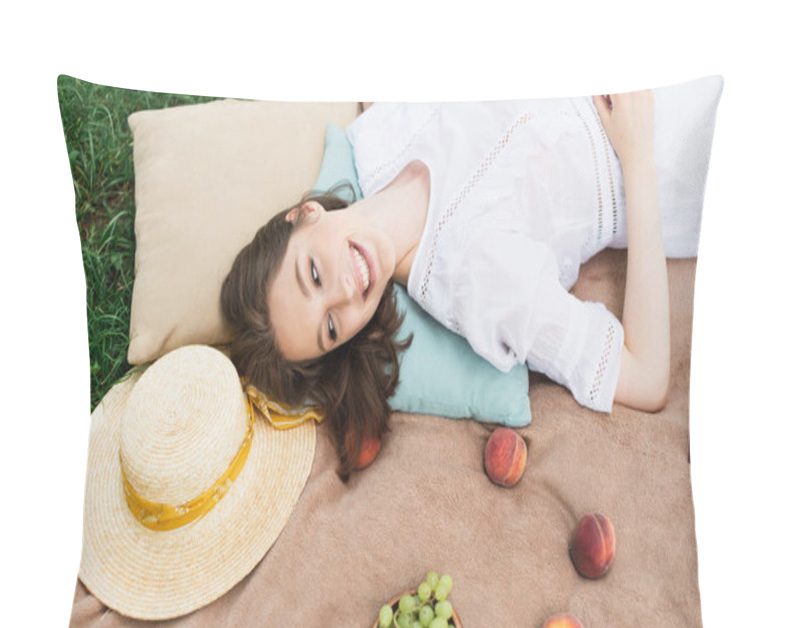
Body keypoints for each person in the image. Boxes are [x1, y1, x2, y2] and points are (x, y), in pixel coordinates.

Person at [221, 79, 721, 480]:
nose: (345, 292)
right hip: (678, 134)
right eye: (331, 328)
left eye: (313, 273)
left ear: (304, 214)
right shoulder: (477, 285)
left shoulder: (376, 135)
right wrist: (637, 156)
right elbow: (647, 377)